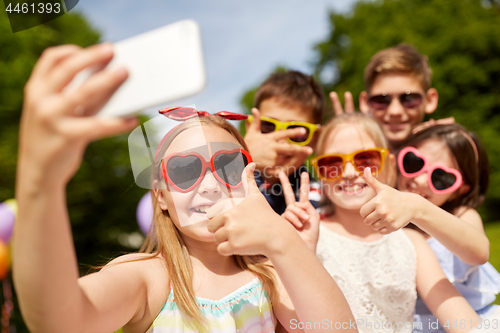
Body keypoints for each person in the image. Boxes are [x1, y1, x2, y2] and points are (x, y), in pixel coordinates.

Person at [13, 44, 357, 333]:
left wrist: (287, 244)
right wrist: (39, 181)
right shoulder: (149, 278)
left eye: (228, 165)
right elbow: (60, 320)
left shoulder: (269, 274)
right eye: (184, 169)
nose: (209, 184)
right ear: (160, 196)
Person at [280, 113, 484, 333]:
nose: (349, 173)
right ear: (319, 173)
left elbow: (460, 317)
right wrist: (299, 255)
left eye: (365, 160)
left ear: (388, 166)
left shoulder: (412, 242)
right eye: (332, 163)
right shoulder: (303, 236)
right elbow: (290, 326)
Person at [359, 120, 500, 332]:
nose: (422, 180)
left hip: (473, 321)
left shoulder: (462, 215)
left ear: (460, 190)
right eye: (414, 162)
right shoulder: (385, 219)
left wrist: (419, 209)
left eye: (442, 178)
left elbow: (479, 252)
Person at [330, 44, 439, 150]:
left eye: (408, 98)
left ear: (429, 100)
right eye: (382, 100)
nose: (395, 111)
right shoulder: (352, 158)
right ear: (365, 102)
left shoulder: (447, 156)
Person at [244, 70, 324, 214]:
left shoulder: (317, 199)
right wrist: (243, 156)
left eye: (296, 131)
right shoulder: (226, 177)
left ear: (315, 139)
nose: (280, 140)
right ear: (250, 127)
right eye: (268, 126)